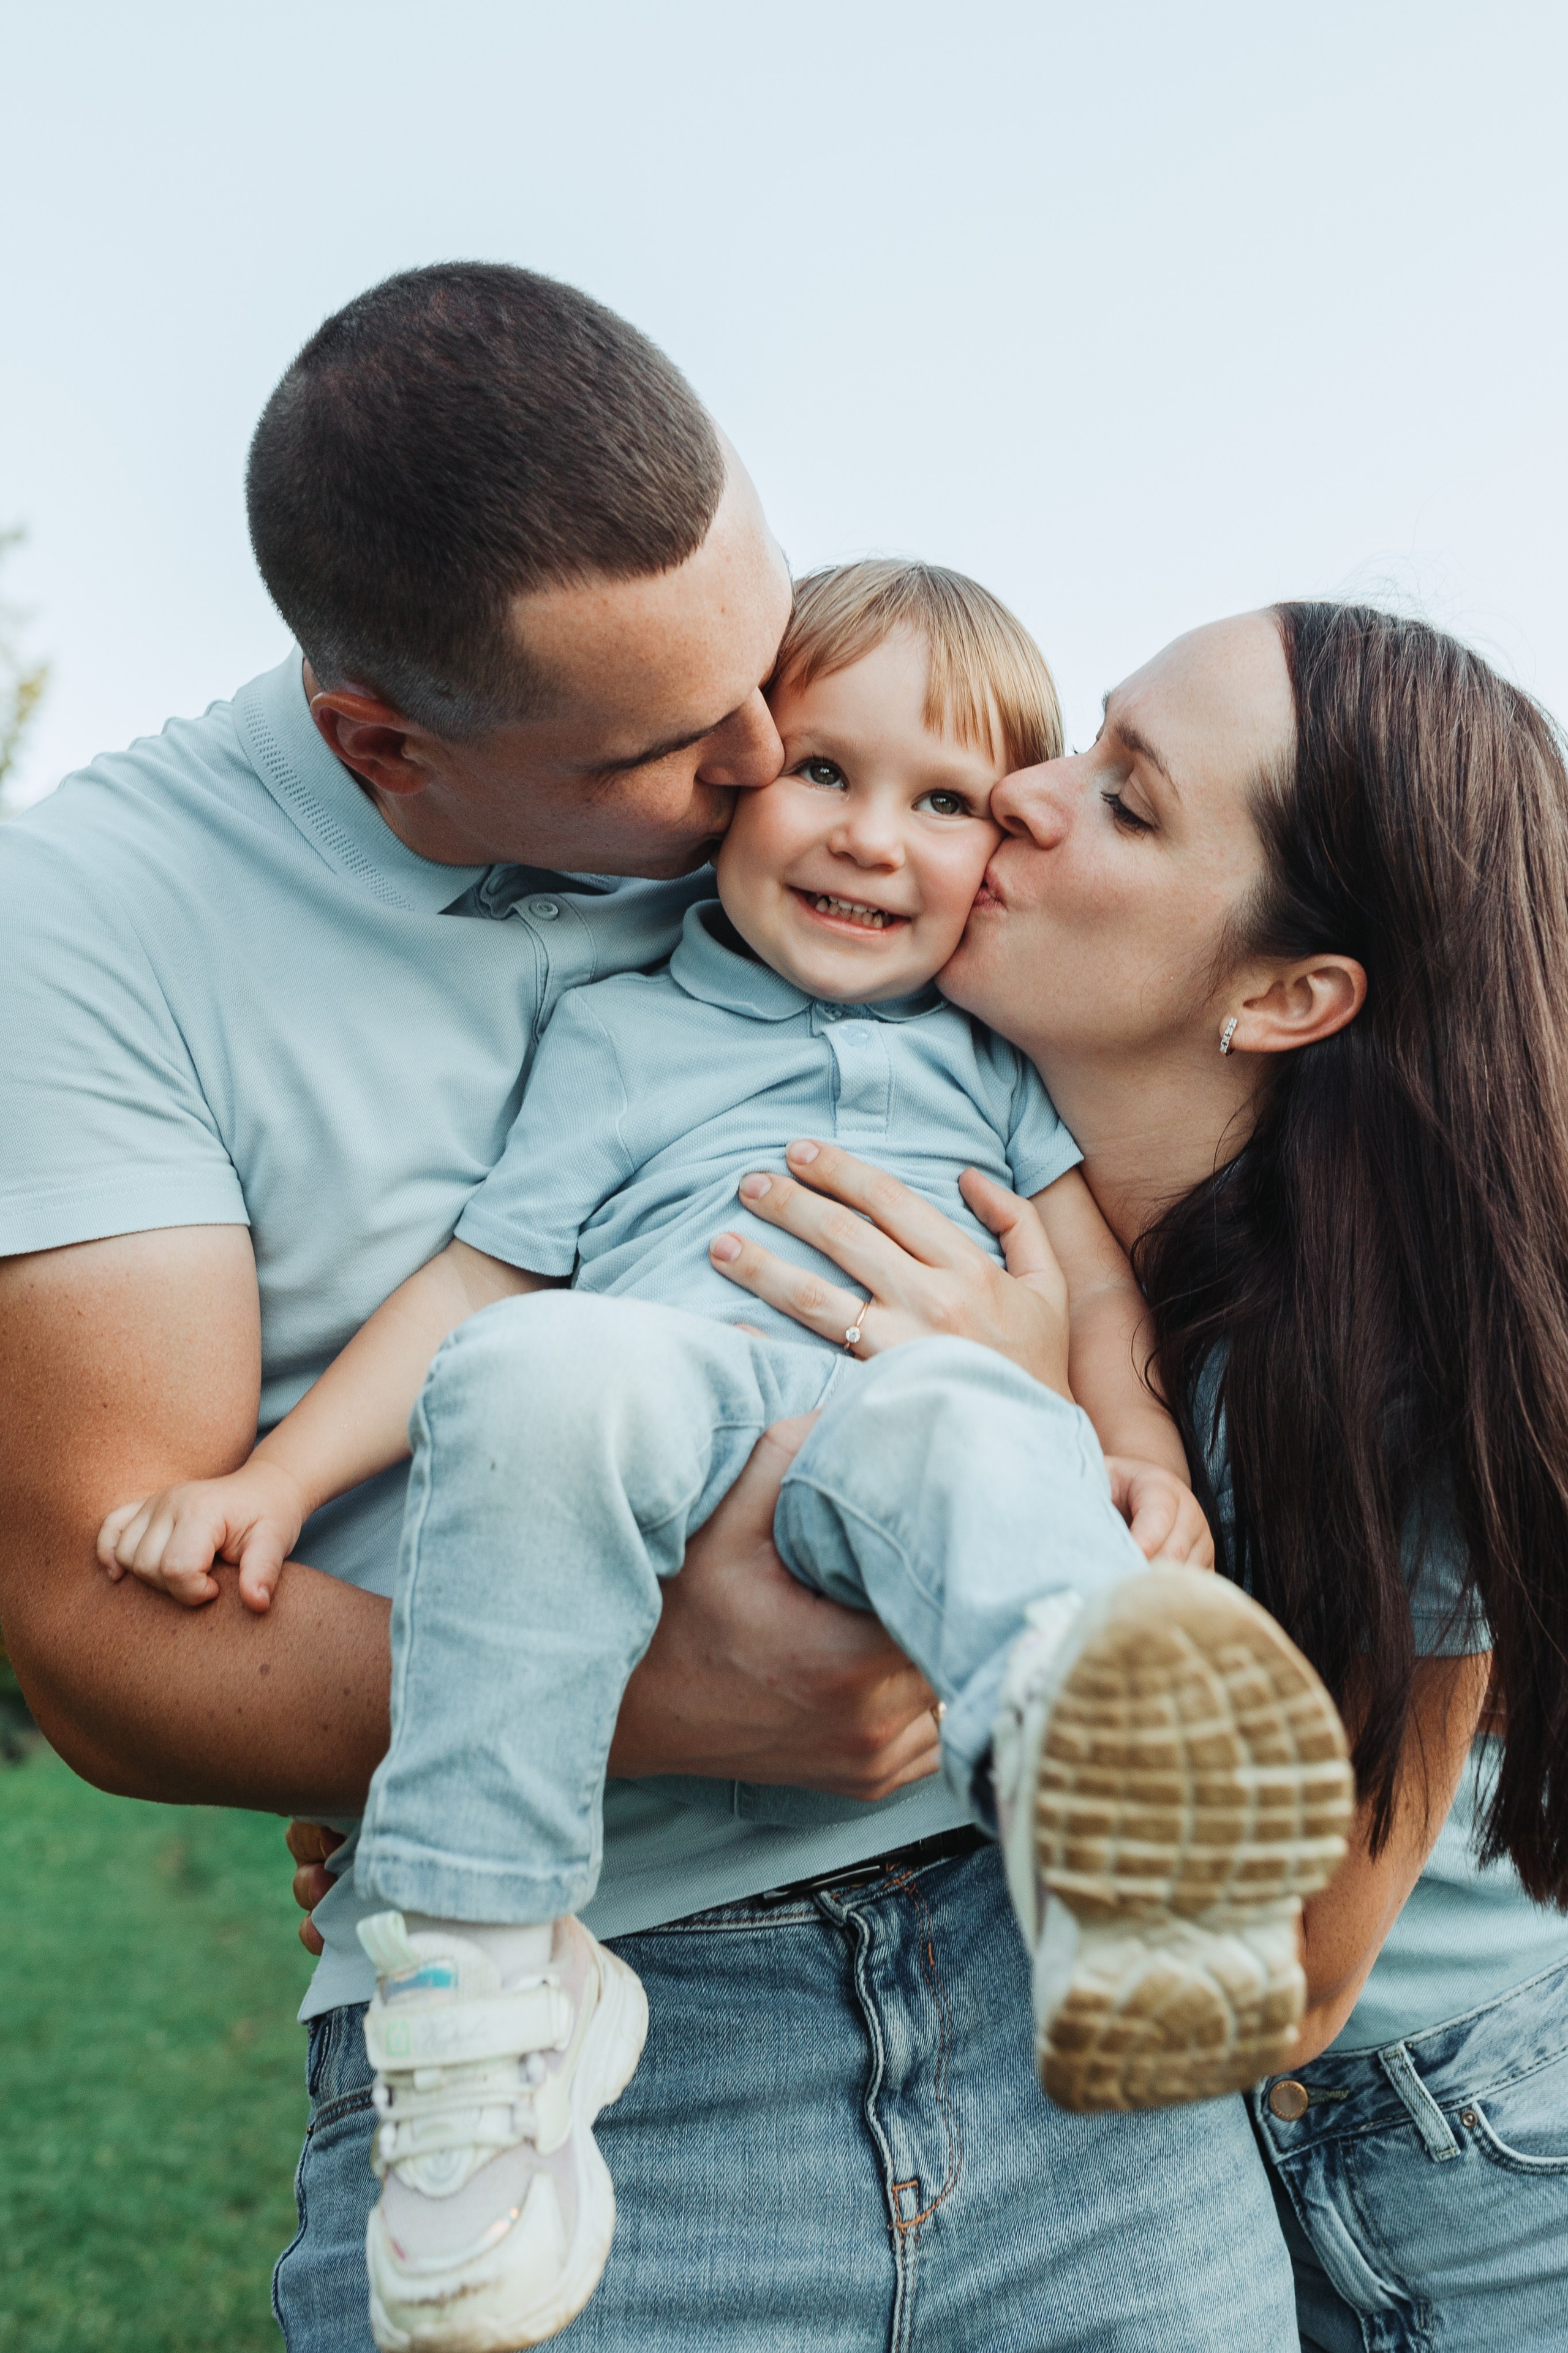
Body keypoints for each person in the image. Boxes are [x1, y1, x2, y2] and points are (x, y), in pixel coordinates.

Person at [0, 265, 1314, 2350]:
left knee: (960, 1439)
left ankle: (1116, 1846)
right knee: (546, 1370)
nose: (779, 761)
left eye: (765, 662)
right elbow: (109, 1625)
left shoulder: (858, 884)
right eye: (704, 749)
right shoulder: (105, 928)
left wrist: (1102, 1432)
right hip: (615, 2012)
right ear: (387, 747)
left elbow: (1119, 1166)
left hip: (1021, 1979)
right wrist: (585, 1687)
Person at [710, 602, 1568, 2351]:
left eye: (1128, 797)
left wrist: (1036, 1424)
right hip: (1172, 2164)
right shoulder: (973, 1185)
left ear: (1285, 995)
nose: (1022, 792)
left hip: (1465, 2149)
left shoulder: (1399, 1363)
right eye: (1085, 739)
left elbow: (1302, 1975)